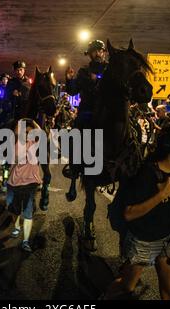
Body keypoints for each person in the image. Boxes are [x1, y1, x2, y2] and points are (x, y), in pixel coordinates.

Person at [104, 122, 170, 300]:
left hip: (169, 237)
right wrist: (160, 195)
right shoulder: (147, 173)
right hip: (143, 240)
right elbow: (129, 213)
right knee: (127, 286)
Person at [64, 39, 108, 245]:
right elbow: (72, 91)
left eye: (99, 50)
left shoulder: (110, 69)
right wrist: (69, 79)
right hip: (89, 113)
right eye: (93, 51)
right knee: (78, 130)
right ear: (90, 54)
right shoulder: (83, 71)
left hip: (108, 114)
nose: (97, 53)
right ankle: (74, 169)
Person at [6, 119, 42, 253]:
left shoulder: (35, 143)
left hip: (30, 183)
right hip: (13, 182)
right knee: (12, 208)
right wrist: (21, 122)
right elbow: (16, 131)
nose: (27, 134)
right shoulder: (16, 143)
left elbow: (41, 132)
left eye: (30, 132)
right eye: (25, 132)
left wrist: (32, 121)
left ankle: (26, 241)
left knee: (27, 212)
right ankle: (16, 226)